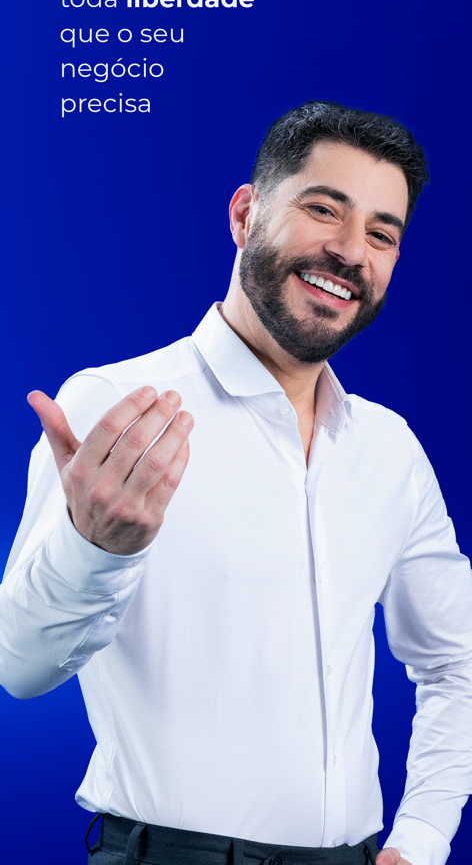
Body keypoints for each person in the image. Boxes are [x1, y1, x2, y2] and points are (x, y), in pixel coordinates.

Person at [1, 101, 471, 865]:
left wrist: (420, 840)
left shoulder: (390, 451)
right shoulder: (117, 411)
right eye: (324, 209)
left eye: (382, 234)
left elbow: (458, 662)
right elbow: (18, 666)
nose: (351, 251)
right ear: (245, 215)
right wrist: (95, 549)